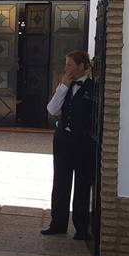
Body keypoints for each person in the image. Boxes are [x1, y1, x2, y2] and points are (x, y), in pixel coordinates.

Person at [41, 50, 97, 240]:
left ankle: (82, 228)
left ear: (81, 66)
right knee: (60, 183)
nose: (66, 68)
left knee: (82, 184)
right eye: (66, 64)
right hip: (63, 141)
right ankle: (57, 223)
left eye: (70, 64)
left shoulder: (93, 88)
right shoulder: (64, 86)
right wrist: (63, 87)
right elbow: (52, 109)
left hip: (83, 144)